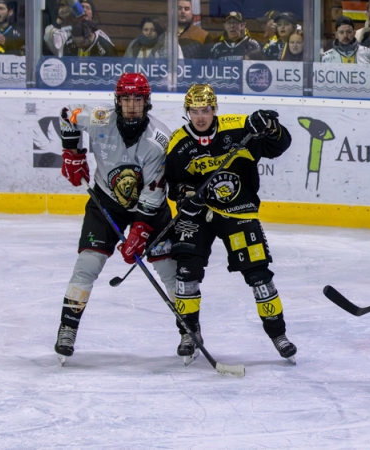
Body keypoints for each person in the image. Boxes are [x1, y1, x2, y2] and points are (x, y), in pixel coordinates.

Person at [164, 84, 297, 364]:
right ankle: (189, 333)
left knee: (260, 275)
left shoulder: (240, 129)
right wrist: (184, 195)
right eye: (195, 111)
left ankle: (278, 334)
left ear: (215, 110)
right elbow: (174, 183)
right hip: (198, 216)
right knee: (186, 275)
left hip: (238, 210)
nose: (201, 116)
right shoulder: (178, 143)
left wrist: (272, 127)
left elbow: (278, 146)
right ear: (187, 112)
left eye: (206, 110)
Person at [54, 73, 178, 364]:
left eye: (137, 99)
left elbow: (154, 193)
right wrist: (72, 153)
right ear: (117, 101)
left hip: (149, 210)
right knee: (86, 265)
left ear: (147, 102)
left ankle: (189, 330)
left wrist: (140, 231)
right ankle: (67, 329)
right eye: (126, 99)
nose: (131, 106)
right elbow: (65, 115)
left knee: (171, 272)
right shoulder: (97, 118)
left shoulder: (159, 139)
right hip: (105, 202)